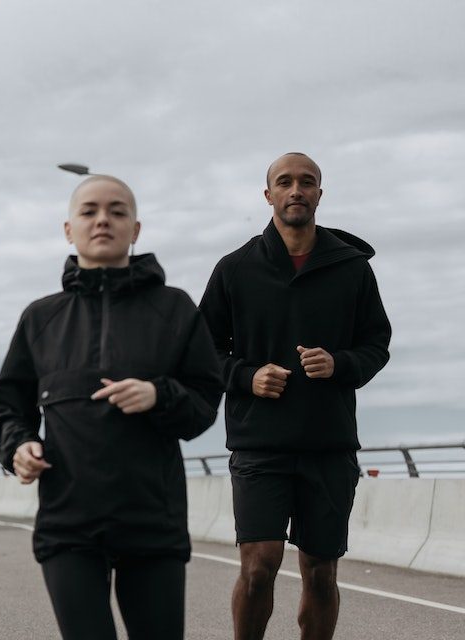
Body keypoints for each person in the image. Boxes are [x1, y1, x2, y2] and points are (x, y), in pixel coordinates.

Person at [0, 175, 223, 639]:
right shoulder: (41, 317)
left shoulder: (175, 309)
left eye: (117, 212)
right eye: (89, 211)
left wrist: (159, 395)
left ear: (135, 230)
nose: (102, 220)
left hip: (152, 522)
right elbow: (11, 407)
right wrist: (19, 447)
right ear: (68, 229)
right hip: (68, 524)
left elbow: (204, 405)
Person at [199, 153, 391, 640]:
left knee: (321, 574)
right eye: (284, 182)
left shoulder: (352, 269)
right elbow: (200, 351)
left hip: (329, 445)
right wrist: (247, 377)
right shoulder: (235, 269)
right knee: (258, 566)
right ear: (268, 195)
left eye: (307, 182)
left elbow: (376, 344)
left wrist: (339, 364)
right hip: (259, 445)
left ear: (319, 194)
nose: (296, 190)